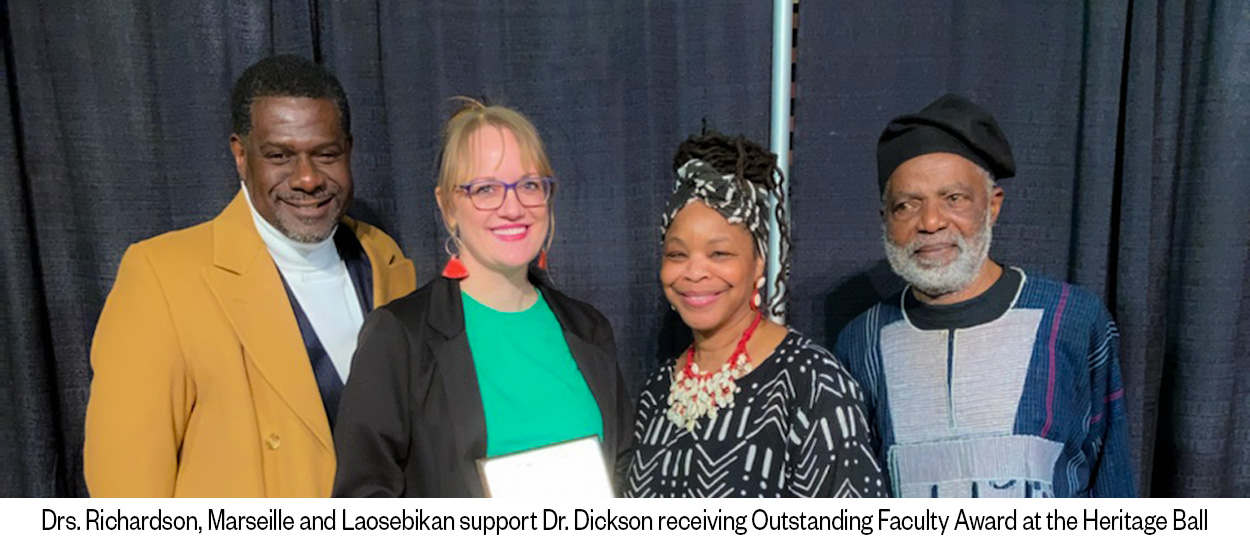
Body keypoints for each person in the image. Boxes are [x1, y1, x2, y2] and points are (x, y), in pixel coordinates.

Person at [84, 55, 416, 497]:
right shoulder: (162, 277)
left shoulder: (383, 258)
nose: (307, 178)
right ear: (241, 155)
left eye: (325, 154)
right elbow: (125, 496)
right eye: (280, 155)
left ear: (349, 150)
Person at [835, 93, 1135, 497]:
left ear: (992, 206)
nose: (931, 222)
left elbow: (1113, 480)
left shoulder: (1073, 320)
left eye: (953, 199)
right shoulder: (861, 341)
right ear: (886, 219)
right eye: (907, 205)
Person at [332, 100, 632, 497]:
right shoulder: (400, 337)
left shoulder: (588, 329)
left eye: (529, 185)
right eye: (486, 189)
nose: (513, 208)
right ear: (448, 206)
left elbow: (625, 472)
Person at [624, 130, 886, 498]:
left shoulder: (812, 384)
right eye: (677, 255)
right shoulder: (658, 392)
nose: (694, 273)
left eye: (719, 254)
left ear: (758, 263)